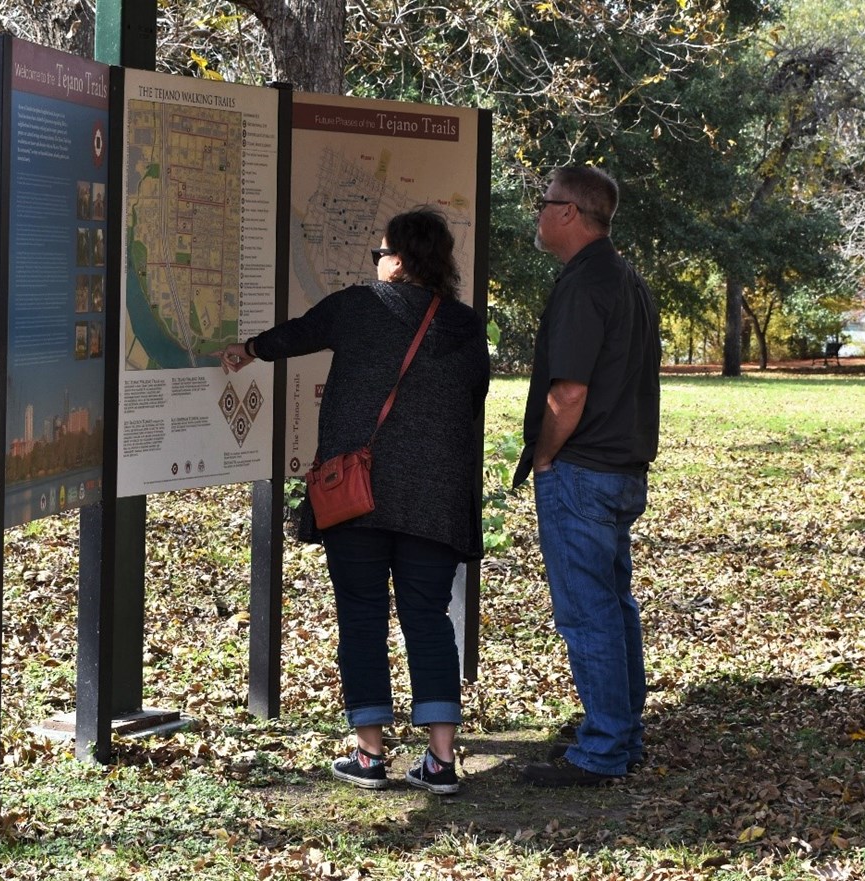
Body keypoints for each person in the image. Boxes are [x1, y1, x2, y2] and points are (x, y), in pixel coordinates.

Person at [222, 208, 489, 795]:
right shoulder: (466, 326)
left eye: (381, 252)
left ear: (397, 258)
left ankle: (370, 755)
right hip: (434, 500)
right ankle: (441, 762)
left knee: (362, 617)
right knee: (428, 618)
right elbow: (474, 397)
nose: (378, 262)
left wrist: (246, 349)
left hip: (356, 494)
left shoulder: (359, 305)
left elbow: (295, 335)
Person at [512, 167, 661, 787]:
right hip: (620, 467)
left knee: (587, 613)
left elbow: (567, 393)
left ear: (571, 213)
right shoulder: (626, 278)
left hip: (583, 469)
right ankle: (621, 734)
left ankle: (602, 750)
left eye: (544, 203)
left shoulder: (584, 284)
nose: (538, 213)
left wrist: (544, 456)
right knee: (613, 605)